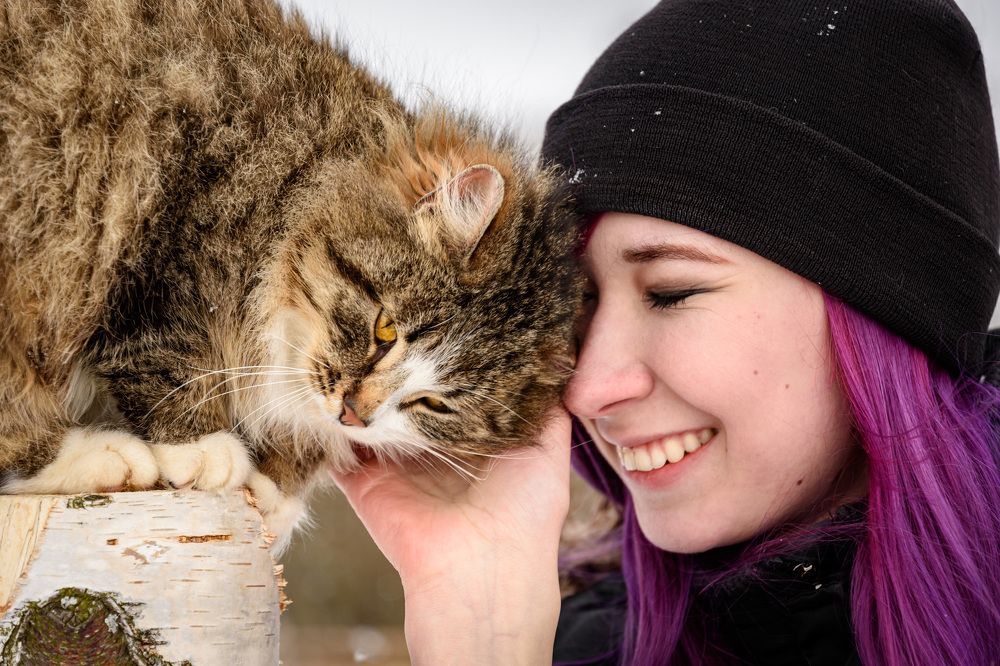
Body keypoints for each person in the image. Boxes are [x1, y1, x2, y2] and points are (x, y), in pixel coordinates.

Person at [331, 1, 1000, 663]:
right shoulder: (576, 646)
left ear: (881, 304)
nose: (589, 387)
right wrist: (483, 629)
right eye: (579, 303)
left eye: (672, 293)